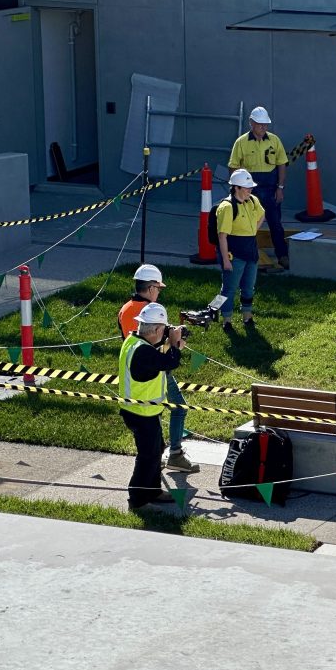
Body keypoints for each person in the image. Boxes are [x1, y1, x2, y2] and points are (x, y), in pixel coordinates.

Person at [117, 264, 199, 473]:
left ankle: (159, 452)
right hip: (152, 374)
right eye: (159, 289)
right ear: (151, 287)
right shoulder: (143, 311)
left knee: (154, 423)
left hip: (143, 373)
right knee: (178, 408)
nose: (159, 293)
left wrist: (171, 339)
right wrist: (174, 345)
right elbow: (150, 345)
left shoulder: (127, 309)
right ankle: (175, 454)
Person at [119, 302, 183, 509]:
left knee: (156, 450)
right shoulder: (144, 352)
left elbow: (157, 356)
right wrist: (174, 345)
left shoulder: (133, 341)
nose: (164, 332)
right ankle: (137, 498)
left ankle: (153, 490)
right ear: (156, 329)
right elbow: (169, 362)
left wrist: (168, 340)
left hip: (139, 410)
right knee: (148, 456)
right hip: (141, 413)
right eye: (163, 329)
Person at [228, 106, 290, 272]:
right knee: (245, 224)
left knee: (275, 224)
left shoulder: (274, 141)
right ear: (251, 123)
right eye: (260, 124)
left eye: (266, 124)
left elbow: (282, 164)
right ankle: (243, 256)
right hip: (249, 190)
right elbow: (234, 167)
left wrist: (280, 188)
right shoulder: (241, 143)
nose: (263, 127)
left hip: (270, 189)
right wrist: (238, 191)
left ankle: (282, 255)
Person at [216, 169, 266, 331]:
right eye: (246, 187)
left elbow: (262, 215)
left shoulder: (253, 201)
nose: (250, 190)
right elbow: (222, 236)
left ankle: (247, 315)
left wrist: (251, 233)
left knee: (249, 286)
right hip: (234, 253)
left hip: (251, 250)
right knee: (229, 288)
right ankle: (227, 319)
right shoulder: (227, 207)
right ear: (236, 188)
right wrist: (225, 260)